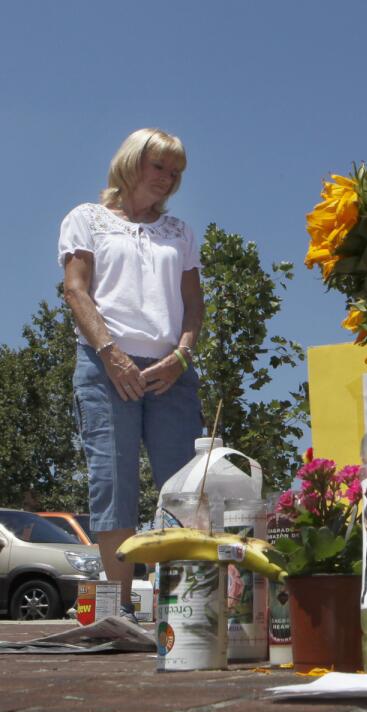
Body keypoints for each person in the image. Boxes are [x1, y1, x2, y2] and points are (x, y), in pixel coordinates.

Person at [59, 128, 204, 616]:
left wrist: (182, 355)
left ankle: (182, 610)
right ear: (131, 162)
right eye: (158, 166)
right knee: (114, 481)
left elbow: (193, 305)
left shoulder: (179, 232)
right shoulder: (87, 219)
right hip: (105, 367)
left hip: (170, 373)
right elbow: (76, 290)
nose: (167, 178)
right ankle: (118, 613)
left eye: (175, 172)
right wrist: (110, 353)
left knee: (184, 488)